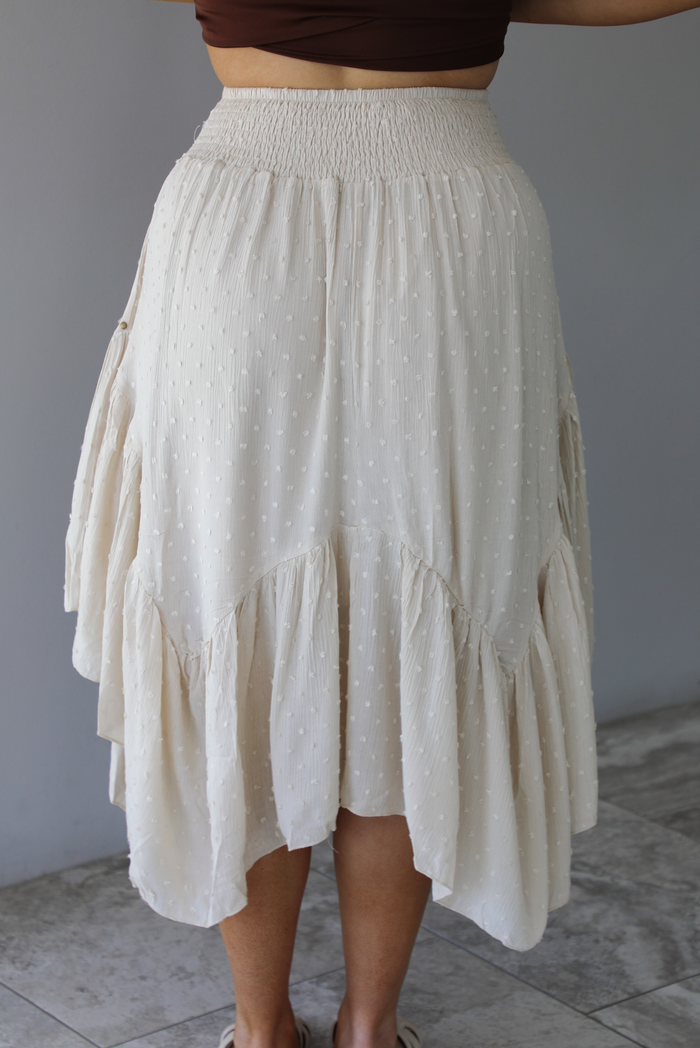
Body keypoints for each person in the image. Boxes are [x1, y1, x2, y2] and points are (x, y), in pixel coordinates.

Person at [63, 3, 699, 1048]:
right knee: (418, 638)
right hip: (452, 220)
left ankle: (261, 1031)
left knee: (239, 632)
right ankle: (371, 1027)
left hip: (242, 218)